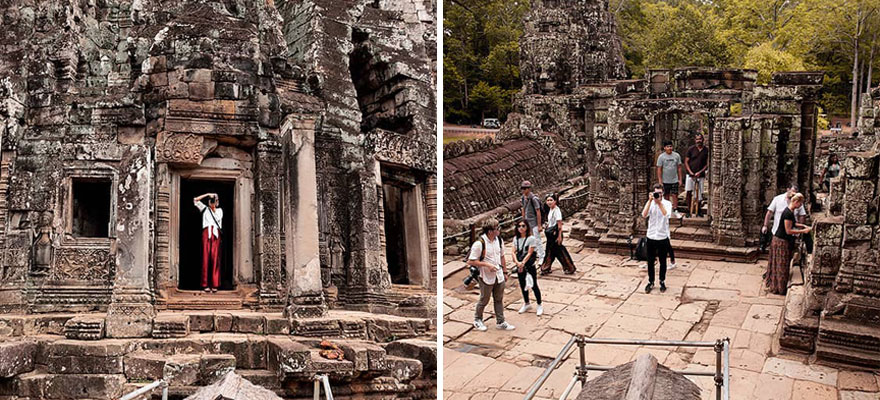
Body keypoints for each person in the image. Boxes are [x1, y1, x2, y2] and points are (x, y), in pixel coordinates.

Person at [468, 218, 515, 331]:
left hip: (498, 274)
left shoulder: (499, 240)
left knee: (498, 298)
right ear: (490, 231)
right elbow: (471, 261)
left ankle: (501, 321)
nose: (499, 230)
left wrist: (505, 271)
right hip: (486, 276)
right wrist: (487, 265)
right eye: (497, 228)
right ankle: (478, 319)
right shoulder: (479, 244)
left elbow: (502, 256)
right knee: (484, 299)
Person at [765, 193, 811, 295]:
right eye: (800, 203)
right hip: (780, 241)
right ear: (796, 202)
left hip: (782, 240)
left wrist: (803, 226)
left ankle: (779, 287)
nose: (800, 206)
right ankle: (779, 288)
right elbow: (788, 230)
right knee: (781, 266)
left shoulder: (790, 211)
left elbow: (793, 223)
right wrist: (803, 231)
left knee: (783, 264)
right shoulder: (787, 213)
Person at [642, 184, 672, 293]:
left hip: (662, 236)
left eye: (659, 193)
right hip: (651, 235)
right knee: (650, 260)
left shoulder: (667, 204)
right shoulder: (650, 203)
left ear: (663, 193)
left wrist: (659, 203)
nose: (657, 195)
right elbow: (644, 215)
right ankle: (651, 281)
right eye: (656, 193)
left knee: (663, 261)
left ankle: (662, 281)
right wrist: (650, 201)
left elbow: (666, 215)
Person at [540, 194, 576, 275]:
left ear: (555, 201)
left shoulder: (557, 211)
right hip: (551, 234)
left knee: (554, 251)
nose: (549, 202)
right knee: (553, 251)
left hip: (555, 234)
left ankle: (546, 267)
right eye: (548, 200)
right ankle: (547, 267)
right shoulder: (551, 210)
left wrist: (560, 236)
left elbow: (559, 224)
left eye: (551, 200)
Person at [513, 220, 543, 315]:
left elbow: (530, 252)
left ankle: (539, 304)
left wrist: (523, 262)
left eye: (523, 226)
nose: (521, 228)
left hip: (529, 265)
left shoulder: (531, 239)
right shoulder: (516, 239)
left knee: (533, 285)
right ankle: (526, 303)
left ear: (527, 227)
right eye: (519, 226)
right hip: (520, 265)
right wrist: (517, 262)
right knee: (522, 284)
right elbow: (513, 251)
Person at [194, 193, 223, 293]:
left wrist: (213, 206)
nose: (213, 202)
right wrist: (207, 195)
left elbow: (217, 217)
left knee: (215, 259)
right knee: (205, 258)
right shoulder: (205, 209)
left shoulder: (219, 210)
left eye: (215, 200)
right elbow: (195, 200)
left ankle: (215, 285)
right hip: (206, 233)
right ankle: (205, 284)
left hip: (215, 234)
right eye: (212, 200)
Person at [656, 140, 683, 219]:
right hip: (665, 180)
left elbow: (679, 168)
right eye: (667, 147)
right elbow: (659, 169)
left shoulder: (676, 156)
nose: (669, 148)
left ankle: (675, 209)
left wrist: (680, 179)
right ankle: (668, 210)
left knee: (675, 194)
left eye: (671, 146)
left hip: (674, 179)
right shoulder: (661, 157)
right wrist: (660, 180)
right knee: (666, 195)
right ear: (664, 148)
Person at [520, 180, 545, 266]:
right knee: (529, 240)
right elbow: (523, 209)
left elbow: (538, 212)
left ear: (529, 189)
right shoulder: (523, 198)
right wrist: (523, 222)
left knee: (537, 240)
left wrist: (539, 225)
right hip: (527, 223)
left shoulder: (534, 199)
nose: (523, 190)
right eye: (522, 188)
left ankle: (542, 256)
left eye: (524, 188)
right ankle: (534, 254)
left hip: (534, 222)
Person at [684, 134, 709, 218]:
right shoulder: (691, 149)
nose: (699, 141)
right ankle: (688, 210)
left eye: (700, 139)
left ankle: (698, 210)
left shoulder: (706, 150)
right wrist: (691, 172)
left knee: (699, 193)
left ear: (703, 140)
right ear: (695, 140)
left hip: (700, 175)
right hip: (690, 174)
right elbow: (686, 162)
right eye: (697, 139)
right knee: (689, 191)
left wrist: (700, 172)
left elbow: (707, 164)